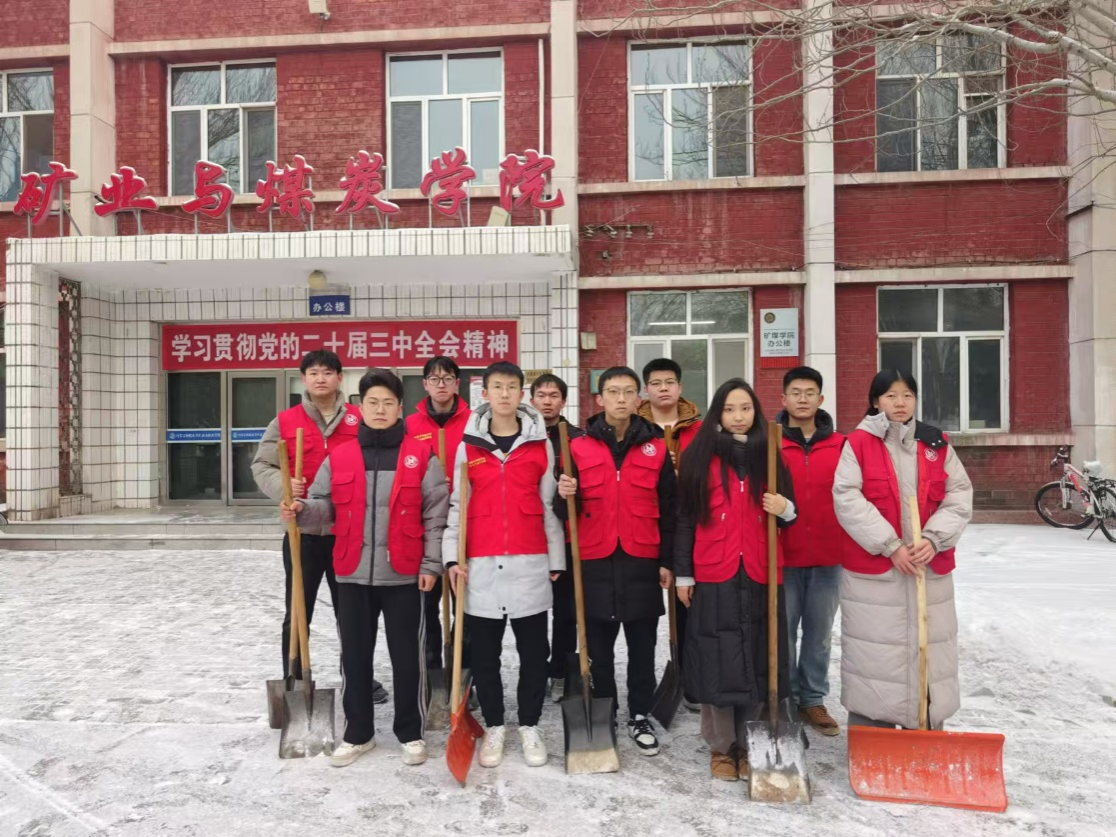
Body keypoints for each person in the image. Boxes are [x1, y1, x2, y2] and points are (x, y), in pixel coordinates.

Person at [282, 369, 449, 768]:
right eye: (372, 402)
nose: (380, 409)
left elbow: (436, 516)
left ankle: (409, 731)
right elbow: (324, 505)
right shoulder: (340, 456)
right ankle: (358, 732)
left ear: (400, 409)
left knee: (407, 658)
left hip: (405, 573)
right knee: (354, 657)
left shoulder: (421, 456)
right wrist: (303, 509)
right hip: (352, 571)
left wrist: (431, 564)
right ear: (361, 407)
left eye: (388, 403)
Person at [832, 370, 973, 731]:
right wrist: (891, 546)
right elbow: (847, 498)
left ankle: (925, 728)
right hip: (877, 576)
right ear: (875, 401)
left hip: (928, 568)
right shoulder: (858, 443)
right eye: (891, 395)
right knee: (876, 655)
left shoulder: (936, 443)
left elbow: (959, 494)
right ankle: (873, 734)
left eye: (907, 395)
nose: (900, 403)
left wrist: (934, 539)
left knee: (931, 649)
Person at [443, 361, 566, 768]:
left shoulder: (539, 444)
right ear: (485, 393)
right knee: (485, 656)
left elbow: (547, 504)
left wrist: (556, 558)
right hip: (481, 561)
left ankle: (529, 725)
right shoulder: (469, 446)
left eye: (512, 387)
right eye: (497, 387)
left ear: (521, 394)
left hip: (530, 559)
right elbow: (458, 506)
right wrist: (452, 558)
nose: (505, 394)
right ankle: (495, 725)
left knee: (534, 653)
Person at [673, 379, 796, 782]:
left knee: (760, 657)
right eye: (729, 409)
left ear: (755, 412)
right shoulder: (699, 456)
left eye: (745, 408)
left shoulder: (770, 455)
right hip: (715, 569)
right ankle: (721, 745)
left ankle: (750, 743)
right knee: (718, 658)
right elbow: (685, 519)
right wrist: (684, 573)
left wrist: (785, 508)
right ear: (718, 413)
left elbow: (791, 516)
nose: (738, 416)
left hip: (760, 569)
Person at [251, 350, 387, 704]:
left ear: (340, 377)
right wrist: (284, 486)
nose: (321, 378)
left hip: (349, 534)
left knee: (353, 614)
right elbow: (262, 465)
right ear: (304, 379)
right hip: (303, 534)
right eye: (314, 373)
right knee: (298, 611)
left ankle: (358, 678)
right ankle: (295, 680)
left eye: (328, 372)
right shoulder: (285, 421)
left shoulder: (359, 418)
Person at [556, 366, 676, 757]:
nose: (620, 399)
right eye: (612, 391)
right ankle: (604, 708)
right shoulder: (576, 446)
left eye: (627, 392)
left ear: (639, 398)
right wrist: (563, 493)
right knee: (598, 648)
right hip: (594, 558)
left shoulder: (656, 447)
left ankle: (639, 713)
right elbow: (559, 510)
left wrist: (667, 560)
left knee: (642, 647)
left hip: (642, 557)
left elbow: (670, 508)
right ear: (600, 398)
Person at [777, 366, 844, 737]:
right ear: (784, 398)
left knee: (819, 634)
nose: (802, 399)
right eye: (795, 392)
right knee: (783, 633)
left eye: (809, 393)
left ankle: (813, 699)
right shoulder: (769, 443)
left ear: (821, 399)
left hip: (829, 557)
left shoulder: (841, 445)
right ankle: (786, 697)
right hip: (783, 556)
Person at [638, 358, 702, 710]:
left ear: (680, 387)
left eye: (669, 382)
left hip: (691, 527)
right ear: (646, 389)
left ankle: (690, 675)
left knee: (689, 605)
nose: (663, 388)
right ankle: (645, 681)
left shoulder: (701, 430)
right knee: (646, 613)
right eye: (656, 383)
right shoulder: (637, 429)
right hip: (647, 526)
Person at [406, 356, 472, 675]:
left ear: (457, 384)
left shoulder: (474, 422)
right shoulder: (410, 425)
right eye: (434, 379)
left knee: (465, 602)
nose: (441, 384)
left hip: (465, 521)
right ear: (425, 384)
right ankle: (431, 672)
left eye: (447, 378)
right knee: (426, 601)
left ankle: (462, 671)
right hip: (425, 524)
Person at [530, 373, 584, 703]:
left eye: (554, 396)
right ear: (532, 400)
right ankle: (535, 669)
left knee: (566, 612)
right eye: (541, 395)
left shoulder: (578, 439)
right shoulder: (523, 436)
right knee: (532, 611)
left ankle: (561, 671)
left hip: (566, 538)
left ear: (564, 401)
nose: (547, 401)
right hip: (530, 538)